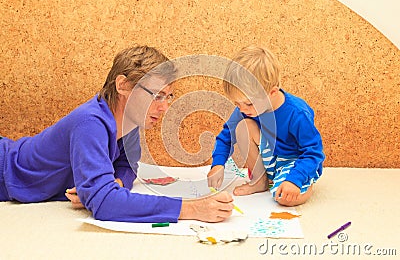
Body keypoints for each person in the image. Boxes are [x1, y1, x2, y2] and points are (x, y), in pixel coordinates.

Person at [0, 45, 234, 223]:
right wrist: (191, 208)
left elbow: (127, 165)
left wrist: (115, 183)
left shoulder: (130, 121)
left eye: (168, 96)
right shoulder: (90, 123)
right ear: (122, 86)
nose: (163, 107)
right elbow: (104, 204)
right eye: (155, 95)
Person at [207, 45, 325, 206]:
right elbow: (226, 136)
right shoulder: (245, 110)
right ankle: (260, 181)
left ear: (272, 93)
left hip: (294, 162)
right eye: (237, 103)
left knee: (285, 199)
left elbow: (313, 152)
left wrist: (295, 180)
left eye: (248, 103)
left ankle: (303, 182)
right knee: (242, 126)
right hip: (268, 161)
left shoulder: (297, 113)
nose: (242, 109)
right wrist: (218, 164)